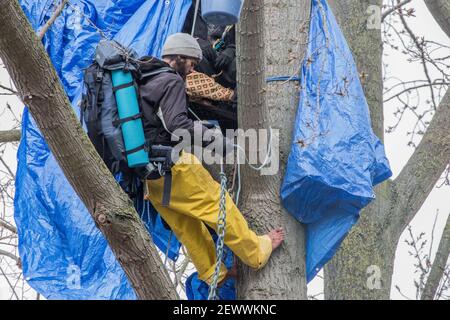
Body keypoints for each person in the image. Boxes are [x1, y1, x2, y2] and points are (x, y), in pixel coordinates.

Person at [139, 33, 285, 286]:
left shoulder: (144, 79)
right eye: (192, 63)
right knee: (220, 205)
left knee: (187, 226)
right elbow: (177, 125)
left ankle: (212, 273)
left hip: (146, 176)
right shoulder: (171, 79)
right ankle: (257, 252)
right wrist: (215, 140)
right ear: (180, 57)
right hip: (171, 165)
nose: (192, 69)